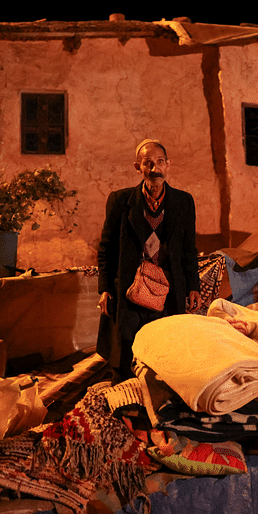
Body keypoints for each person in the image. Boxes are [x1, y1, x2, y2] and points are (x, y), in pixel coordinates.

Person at [97, 139, 202, 382]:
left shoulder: (183, 202)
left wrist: (193, 287)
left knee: (164, 354)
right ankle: (124, 406)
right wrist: (104, 289)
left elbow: (188, 249)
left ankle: (156, 409)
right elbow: (106, 249)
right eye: (148, 163)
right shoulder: (120, 202)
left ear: (168, 165)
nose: (155, 168)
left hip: (167, 291)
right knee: (125, 352)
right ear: (138, 167)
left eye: (160, 162)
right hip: (130, 291)